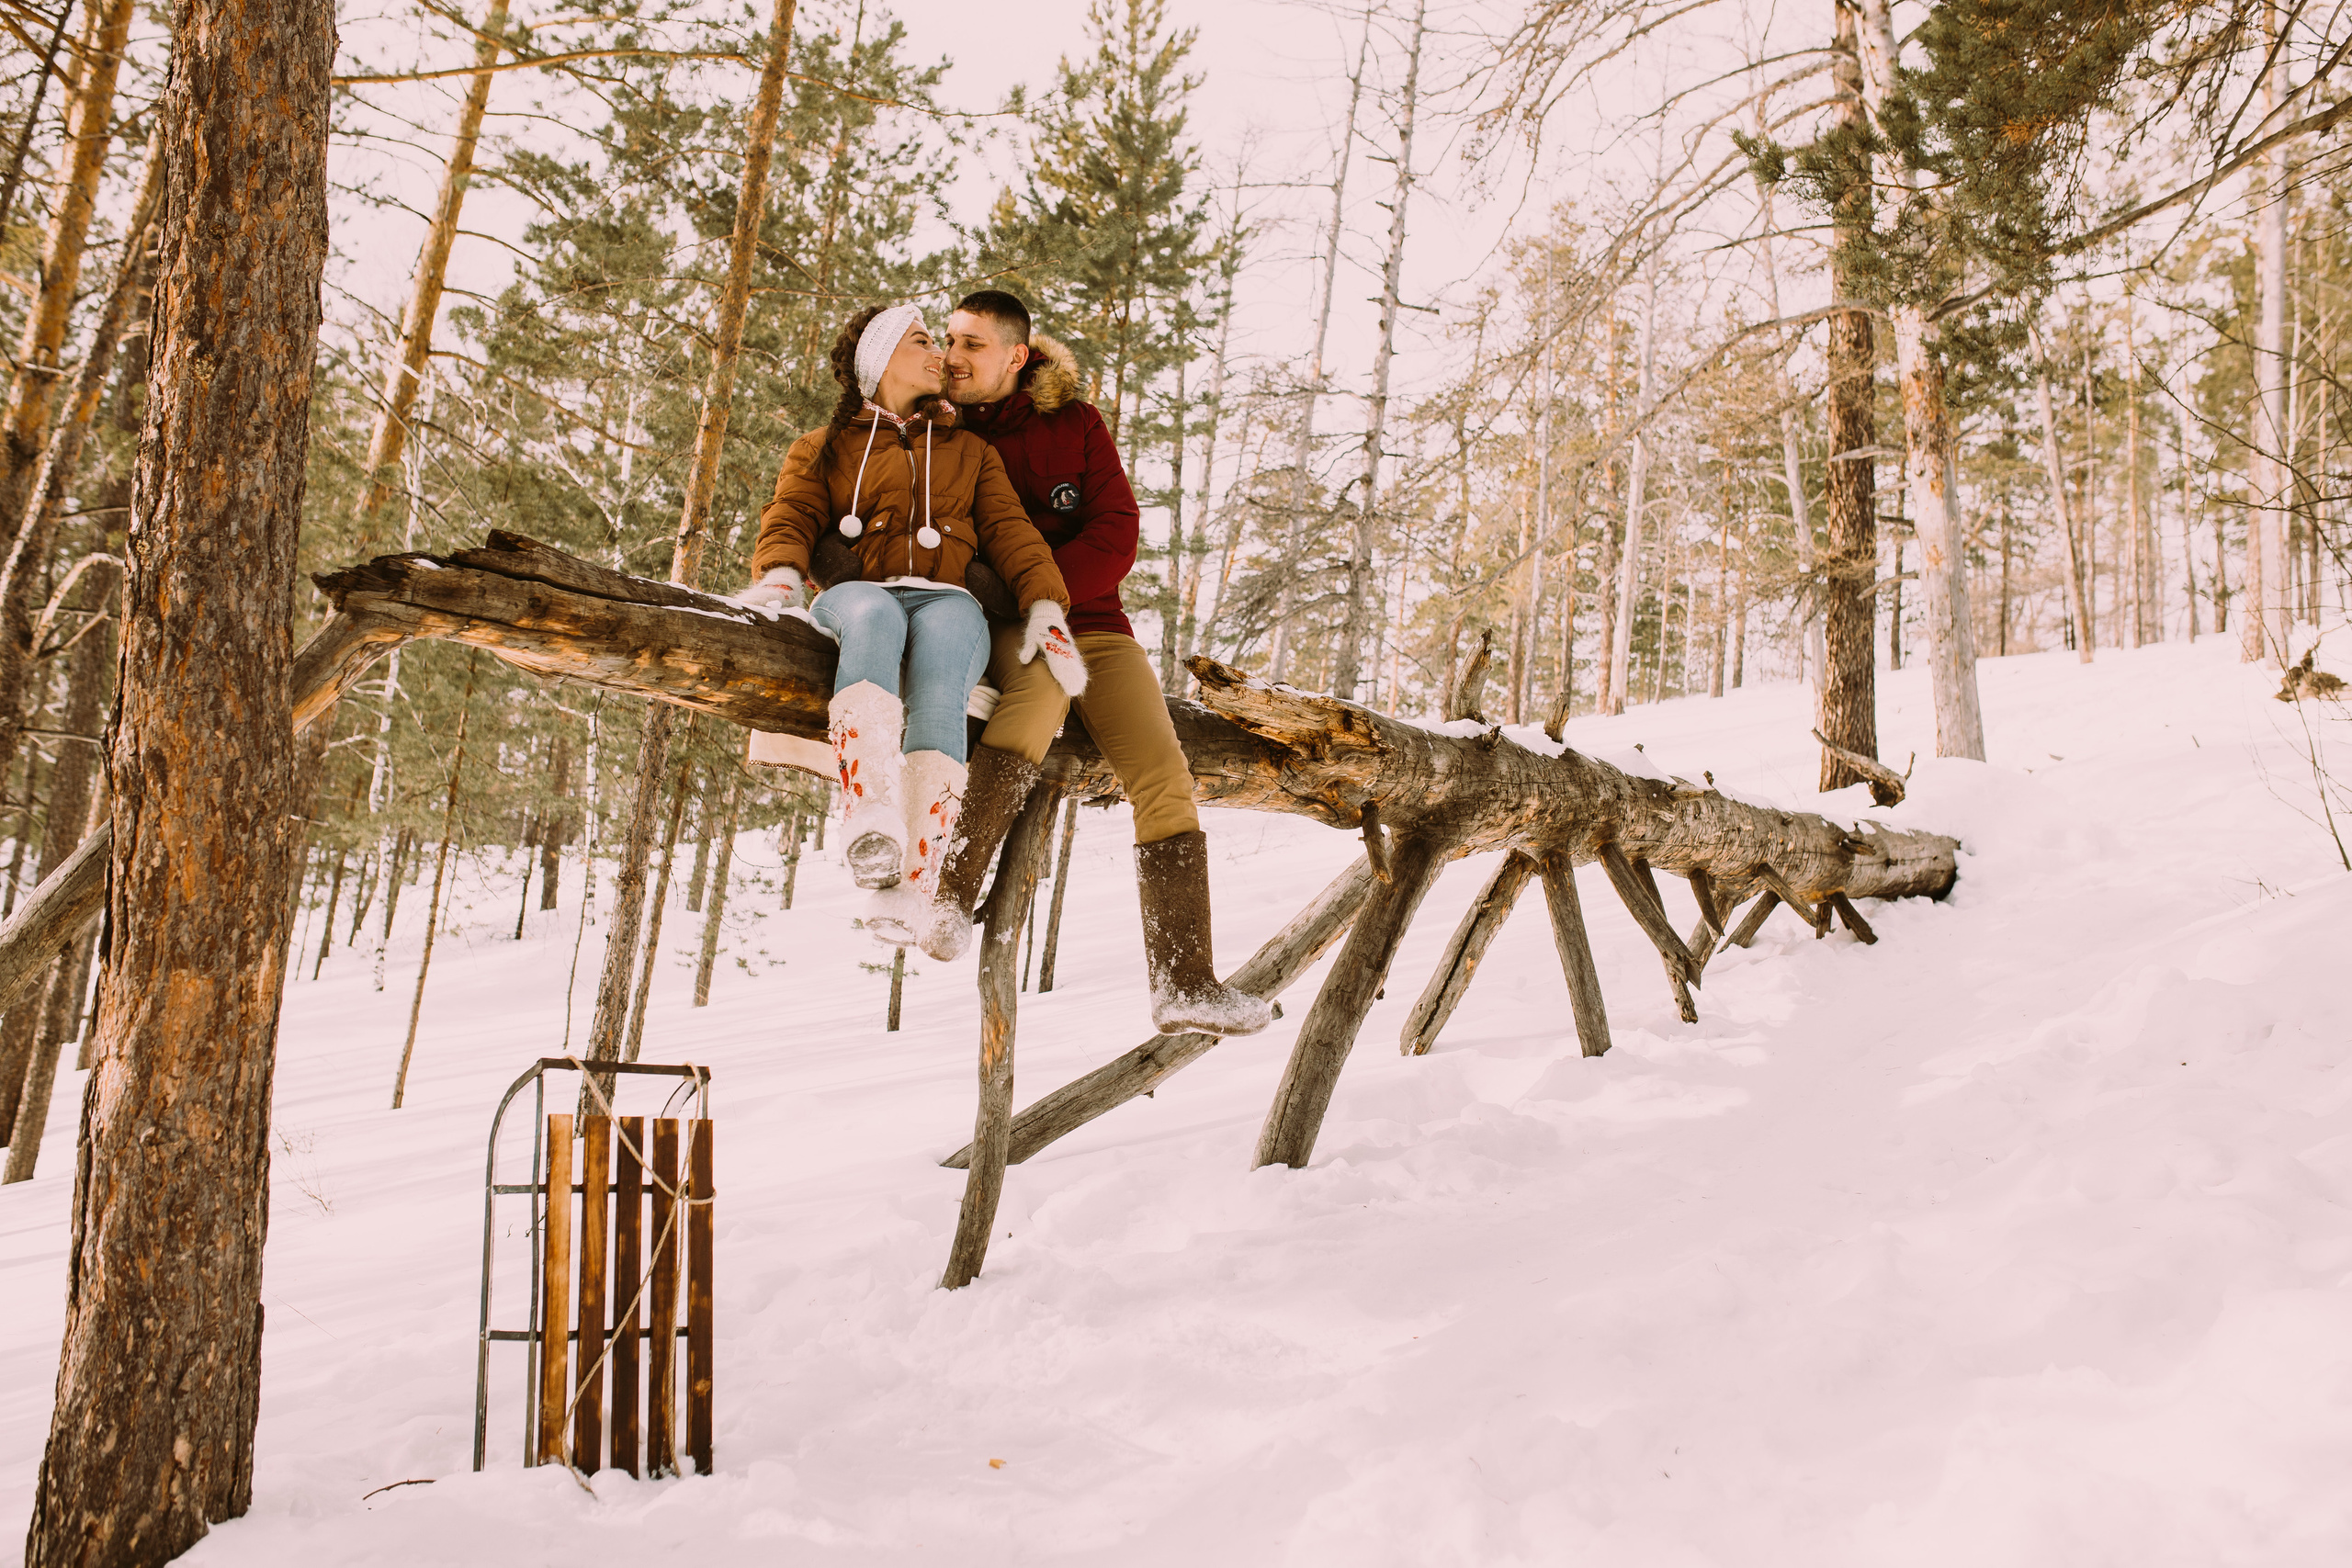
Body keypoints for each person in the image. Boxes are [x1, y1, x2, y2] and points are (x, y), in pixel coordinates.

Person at [931, 289, 1272, 1039]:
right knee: (1046, 687)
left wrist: (1044, 583)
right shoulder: (937, 430)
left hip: (1096, 624)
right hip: (1000, 624)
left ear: (1017, 357)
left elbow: (1116, 533)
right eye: (949, 339)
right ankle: (949, 893)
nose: (952, 356)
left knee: (1162, 769)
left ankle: (1184, 980)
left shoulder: (1075, 423)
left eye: (972, 344)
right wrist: (1022, 597)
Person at [742, 302, 1086, 946]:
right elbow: (790, 513)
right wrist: (782, 573)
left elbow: (1012, 532)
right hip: (860, 594)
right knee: (871, 613)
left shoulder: (970, 452)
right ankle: (870, 821)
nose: (941, 355)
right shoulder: (822, 447)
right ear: (880, 358)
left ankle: (915, 878)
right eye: (923, 340)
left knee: (951, 641)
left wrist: (1045, 603)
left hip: (945, 598)